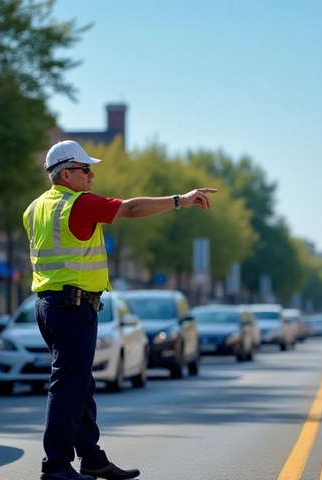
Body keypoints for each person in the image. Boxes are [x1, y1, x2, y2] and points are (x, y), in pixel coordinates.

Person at [23, 140, 217, 480]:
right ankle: (55, 465)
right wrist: (179, 200)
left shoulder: (34, 208)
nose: (91, 174)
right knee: (68, 385)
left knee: (79, 384)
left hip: (48, 305)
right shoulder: (77, 205)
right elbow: (131, 209)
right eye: (85, 169)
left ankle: (93, 458)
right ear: (65, 174)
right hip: (73, 306)